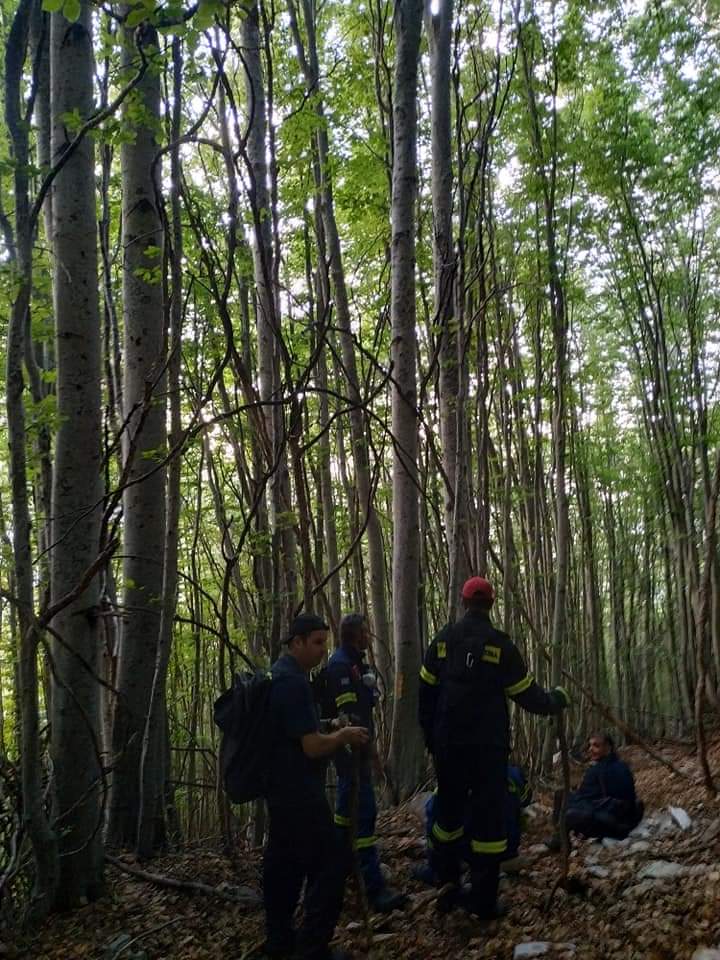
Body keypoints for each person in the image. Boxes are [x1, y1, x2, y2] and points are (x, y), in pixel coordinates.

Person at [418, 575, 570, 921]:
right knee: (488, 822)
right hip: (488, 750)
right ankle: (483, 902)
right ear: (491, 603)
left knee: (447, 816)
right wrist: (555, 701)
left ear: (463, 601)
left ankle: (447, 887)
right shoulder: (500, 645)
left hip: (448, 748)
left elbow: (424, 694)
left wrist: (432, 738)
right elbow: (526, 694)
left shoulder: (443, 640)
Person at [261, 613, 369, 960]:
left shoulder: (281, 675)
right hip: (299, 795)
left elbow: (294, 732)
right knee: (331, 864)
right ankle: (312, 949)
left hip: (280, 791)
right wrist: (343, 735)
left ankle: (280, 943)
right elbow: (311, 746)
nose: (323, 651)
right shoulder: (292, 683)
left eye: (325, 642)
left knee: (284, 866)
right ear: (297, 643)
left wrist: (327, 723)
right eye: (317, 643)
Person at [323, 613, 407, 913]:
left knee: (346, 816)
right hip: (351, 754)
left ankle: (340, 871)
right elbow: (350, 719)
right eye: (366, 632)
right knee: (364, 816)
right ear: (356, 635)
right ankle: (372, 889)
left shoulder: (356, 663)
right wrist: (372, 755)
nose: (370, 636)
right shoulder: (340, 666)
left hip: (357, 752)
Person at [415, 764, 532, 886]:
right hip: (508, 848)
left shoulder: (456, 777)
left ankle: (436, 871)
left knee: (438, 822)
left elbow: (437, 819)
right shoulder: (512, 772)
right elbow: (526, 799)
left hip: (474, 852)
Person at [549, 732, 643, 845]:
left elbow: (590, 800)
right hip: (618, 816)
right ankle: (559, 835)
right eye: (590, 745)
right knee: (562, 795)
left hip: (615, 822)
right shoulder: (620, 765)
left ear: (608, 747)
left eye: (596, 746)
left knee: (568, 811)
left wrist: (570, 805)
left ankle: (560, 840)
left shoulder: (602, 769)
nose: (590, 749)